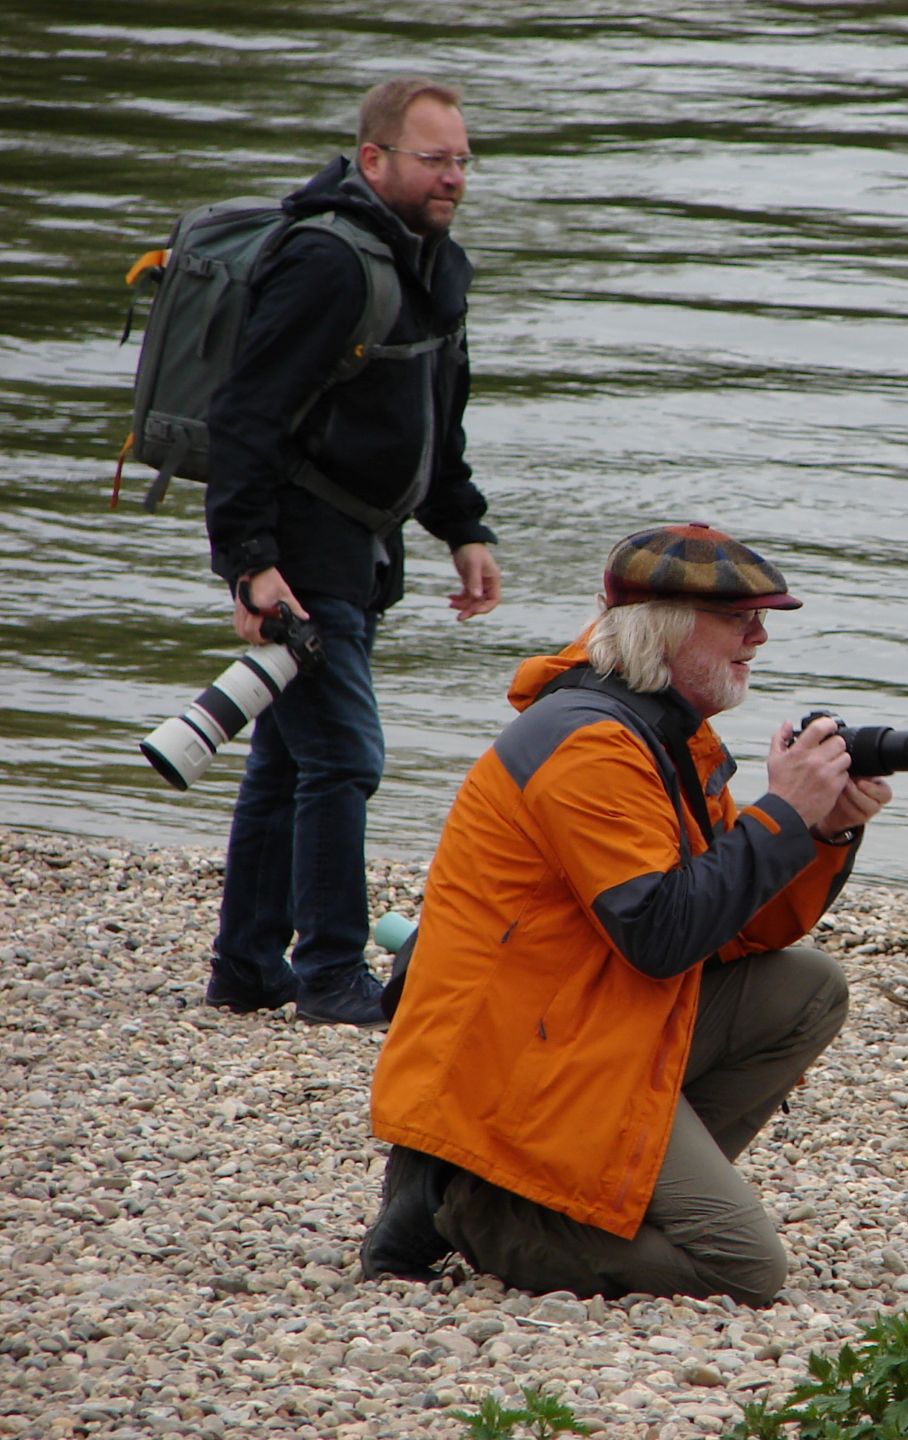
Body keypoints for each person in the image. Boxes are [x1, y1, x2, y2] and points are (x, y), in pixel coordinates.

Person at [360, 522, 890, 1302]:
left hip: (576, 1023)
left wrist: (822, 830)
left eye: (761, 618)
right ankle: (471, 1204)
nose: (759, 636)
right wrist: (780, 814)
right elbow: (661, 936)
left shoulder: (665, 735)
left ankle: (583, 1189)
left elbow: (734, 930)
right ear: (664, 628)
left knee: (805, 988)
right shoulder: (589, 745)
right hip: (514, 1060)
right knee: (741, 1268)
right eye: (739, 619)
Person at [201, 77, 502, 1028]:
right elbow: (245, 414)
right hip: (302, 547)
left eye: (462, 160)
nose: (453, 177)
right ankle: (331, 972)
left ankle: (249, 966)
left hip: (362, 549)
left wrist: (463, 526)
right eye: (434, 159)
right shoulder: (327, 262)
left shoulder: (434, 263)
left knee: (288, 763)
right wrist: (249, 559)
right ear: (374, 159)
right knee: (343, 756)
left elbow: (435, 415)